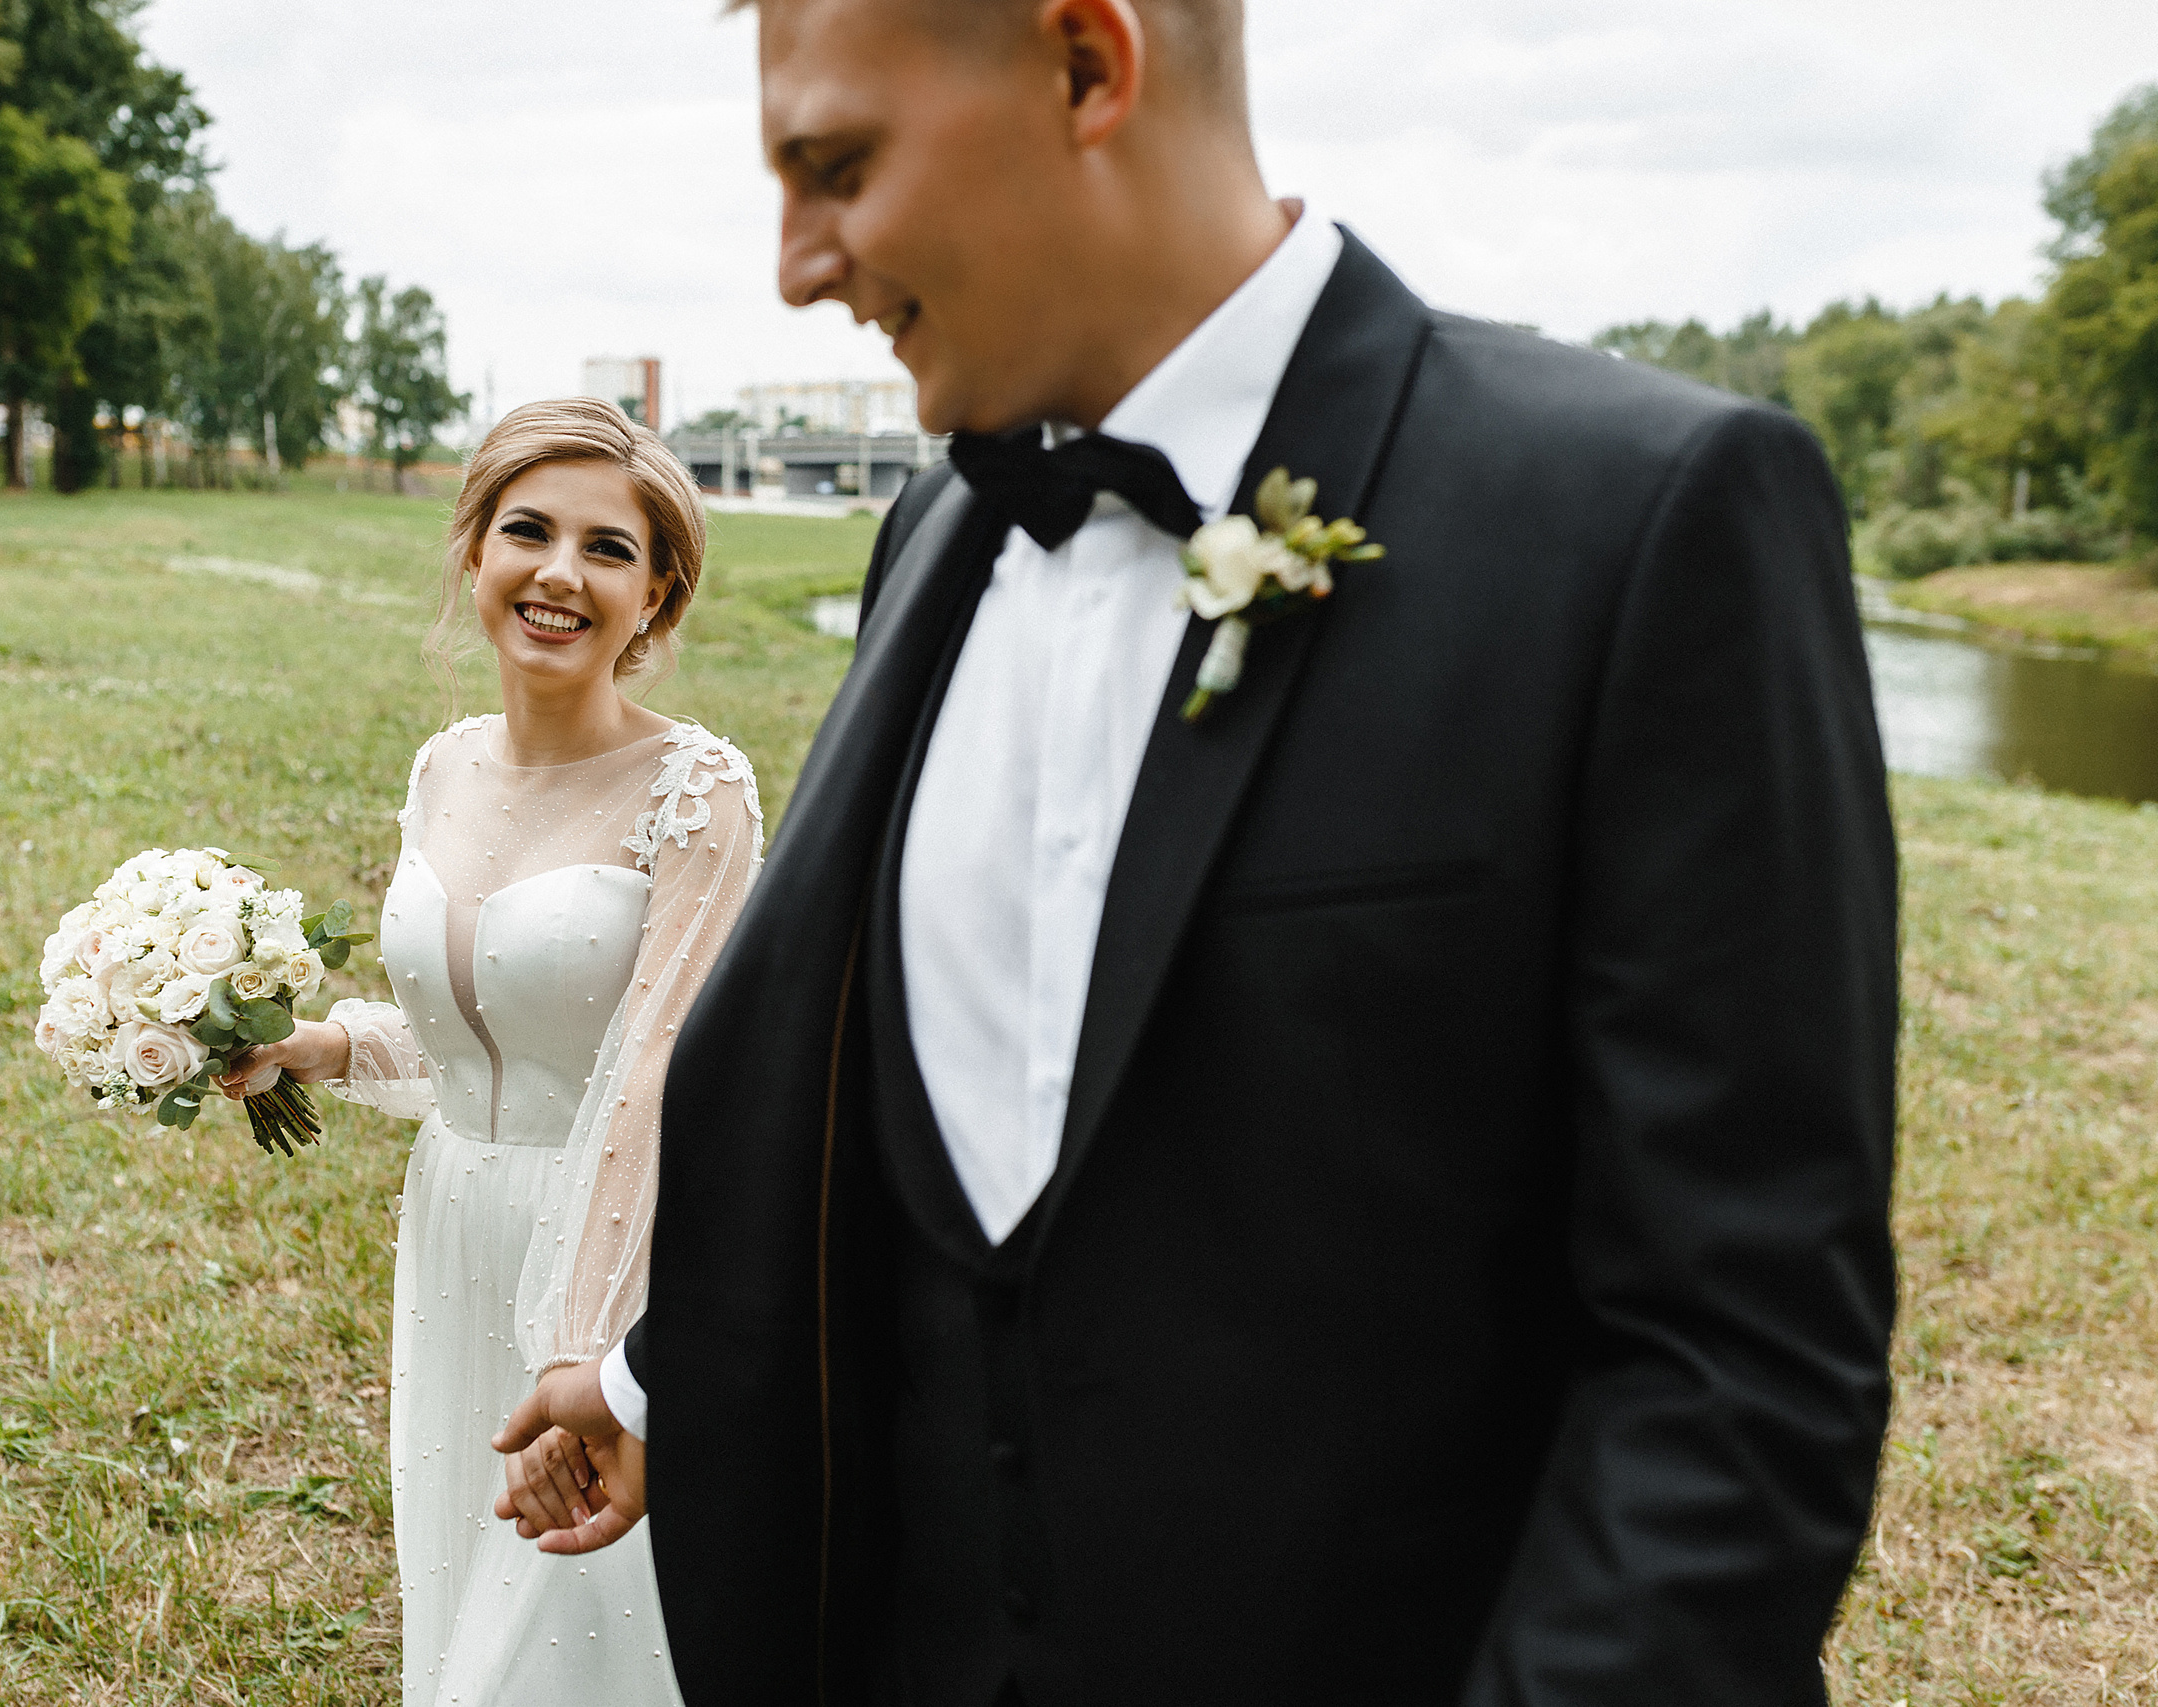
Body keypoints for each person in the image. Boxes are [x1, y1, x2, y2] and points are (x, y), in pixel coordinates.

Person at [498, 2, 1897, 1702]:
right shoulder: (938, 529)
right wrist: (669, 1390)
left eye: (839, 166)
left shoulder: (1645, 519)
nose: (797, 263)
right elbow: (901, 1138)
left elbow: (1738, 1369)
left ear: (1089, 63)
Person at [223, 397, 760, 1707]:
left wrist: (587, 1352)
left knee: (570, 1635)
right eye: (527, 530)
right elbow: (482, 1046)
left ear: (658, 595)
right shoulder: (442, 769)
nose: (559, 573)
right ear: (474, 553)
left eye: (609, 549)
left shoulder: (700, 796)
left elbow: (652, 1081)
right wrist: (314, 1043)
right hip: (455, 1230)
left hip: (612, 1259)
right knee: (467, 1595)